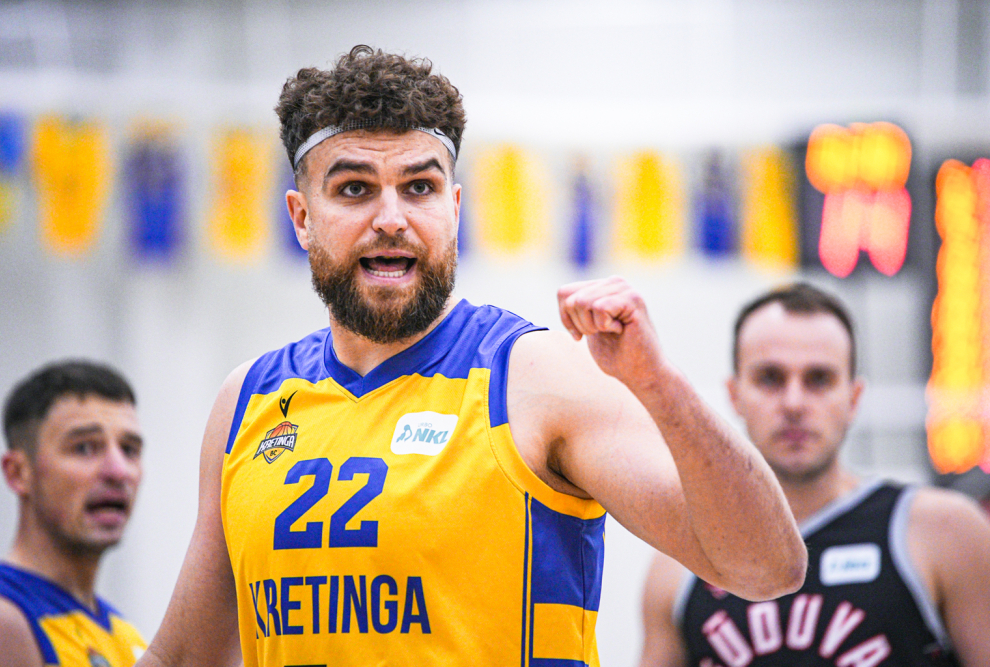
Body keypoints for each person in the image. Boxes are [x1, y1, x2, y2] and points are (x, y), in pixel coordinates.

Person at [137, 45, 806, 667]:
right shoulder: (248, 399)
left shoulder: (536, 376)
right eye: (354, 189)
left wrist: (658, 385)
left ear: (455, 208)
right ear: (301, 218)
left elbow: (765, 567)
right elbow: (185, 656)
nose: (391, 217)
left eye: (419, 187)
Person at [639, 283, 990, 667]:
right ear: (735, 394)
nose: (794, 403)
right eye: (770, 377)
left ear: (854, 397)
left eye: (819, 379)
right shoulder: (680, 565)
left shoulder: (943, 531)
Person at [0, 360, 148, 667]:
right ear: (18, 472)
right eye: (85, 448)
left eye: (129, 449)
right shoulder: (2, 619)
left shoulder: (126, 634)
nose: (119, 471)